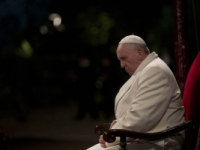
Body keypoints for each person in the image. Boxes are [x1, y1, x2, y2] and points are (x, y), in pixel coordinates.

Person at [87, 34, 185, 150]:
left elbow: (139, 118)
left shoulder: (155, 70)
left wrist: (112, 136)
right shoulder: (145, 69)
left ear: (139, 53)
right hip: (142, 138)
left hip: (160, 142)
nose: (122, 65)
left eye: (124, 58)